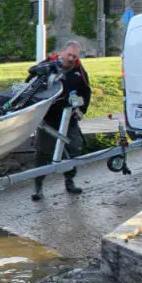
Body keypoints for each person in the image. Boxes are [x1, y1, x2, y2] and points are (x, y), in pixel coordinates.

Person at [31, 41, 92, 201]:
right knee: (43, 152)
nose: (71, 58)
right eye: (69, 54)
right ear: (62, 52)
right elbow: (30, 85)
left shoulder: (79, 70)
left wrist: (81, 110)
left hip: (69, 118)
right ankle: (38, 187)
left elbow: (86, 92)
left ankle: (70, 181)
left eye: (75, 56)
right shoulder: (47, 65)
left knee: (72, 149)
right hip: (48, 118)